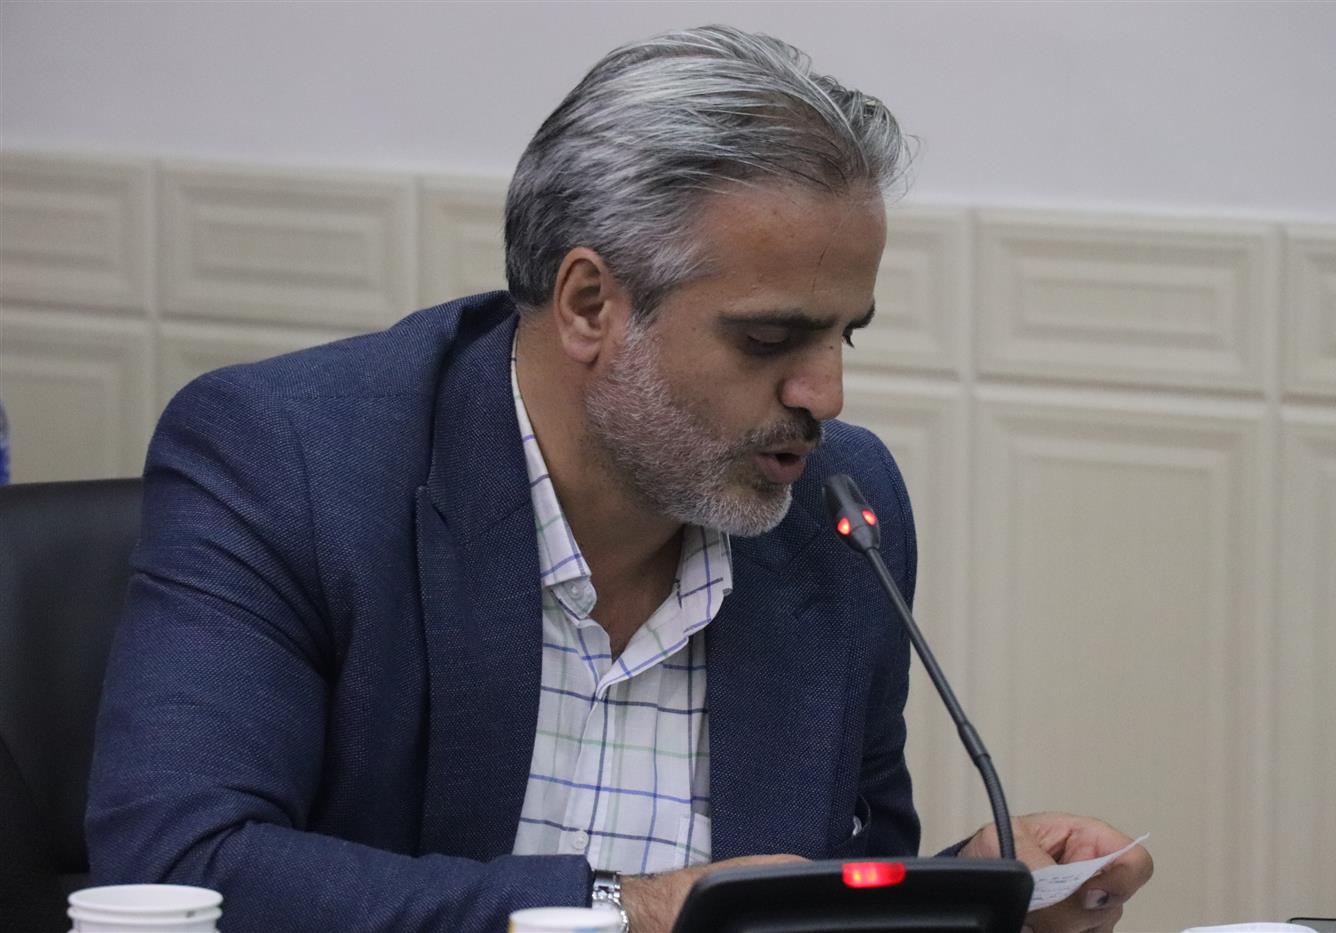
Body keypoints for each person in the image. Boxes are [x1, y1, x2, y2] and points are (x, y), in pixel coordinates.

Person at [86, 24, 1152, 933]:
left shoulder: (839, 506)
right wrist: (632, 910)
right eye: (769, 338)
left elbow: (823, 878)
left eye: (845, 336)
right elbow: (180, 866)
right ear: (591, 305)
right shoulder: (291, 458)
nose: (823, 394)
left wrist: (970, 889)